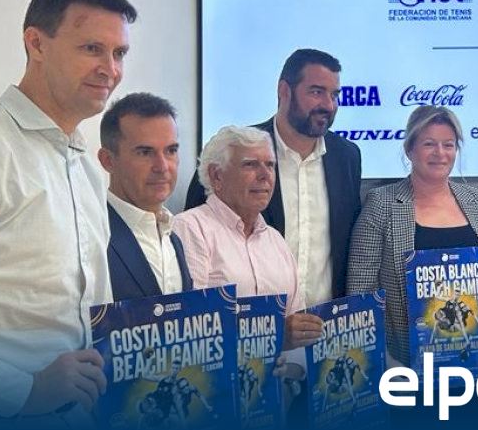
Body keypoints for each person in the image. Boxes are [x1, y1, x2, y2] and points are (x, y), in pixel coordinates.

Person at [0, 0, 135, 421]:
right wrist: (20, 390)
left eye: (119, 53)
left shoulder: (86, 167)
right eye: (92, 48)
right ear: (37, 43)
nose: (110, 69)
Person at [346, 106, 478, 426]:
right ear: (409, 148)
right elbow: (360, 293)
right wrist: (383, 361)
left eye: (448, 144)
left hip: (470, 366)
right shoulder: (381, 204)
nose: (440, 153)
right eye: (429, 144)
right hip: (406, 369)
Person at [186, 48, 362, 306]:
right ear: (284, 91)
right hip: (249, 324)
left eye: (334, 95)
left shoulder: (346, 157)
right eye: (316, 92)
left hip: (327, 323)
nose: (328, 105)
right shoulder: (236, 151)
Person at [173, 126, 317, 351]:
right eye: (250, 164)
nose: (265, 175)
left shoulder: (275, 240)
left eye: (270, 165)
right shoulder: (190, 228)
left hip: (281, 372)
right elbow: (191, 327)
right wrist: (275, 336)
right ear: (217, 175)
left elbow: (296, 322)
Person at [98, 93, 193, 300]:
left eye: (171, 151)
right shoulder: (92, 233)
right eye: (145, 152)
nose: (162, 166)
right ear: (108, 160)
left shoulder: (173, 237)